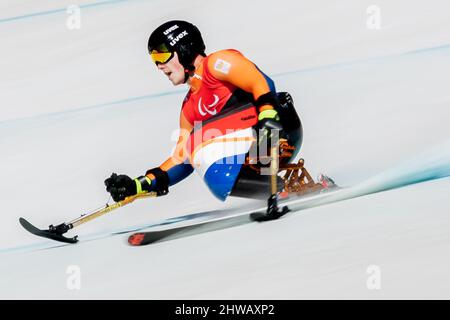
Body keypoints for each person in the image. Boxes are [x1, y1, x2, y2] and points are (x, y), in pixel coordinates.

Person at [105, 20, 303, 203]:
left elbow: (259, 80)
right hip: (250, 148)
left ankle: (275, 190)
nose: (159, 65)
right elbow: (182, 159)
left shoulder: (215, 64)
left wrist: (268, 114)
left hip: (275, 131)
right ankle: (284, 190)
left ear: (183, 49)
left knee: (197, 141)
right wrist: (140, 184)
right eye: (154, 59)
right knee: (194, 144)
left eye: (161, 55)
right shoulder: (189, 107)